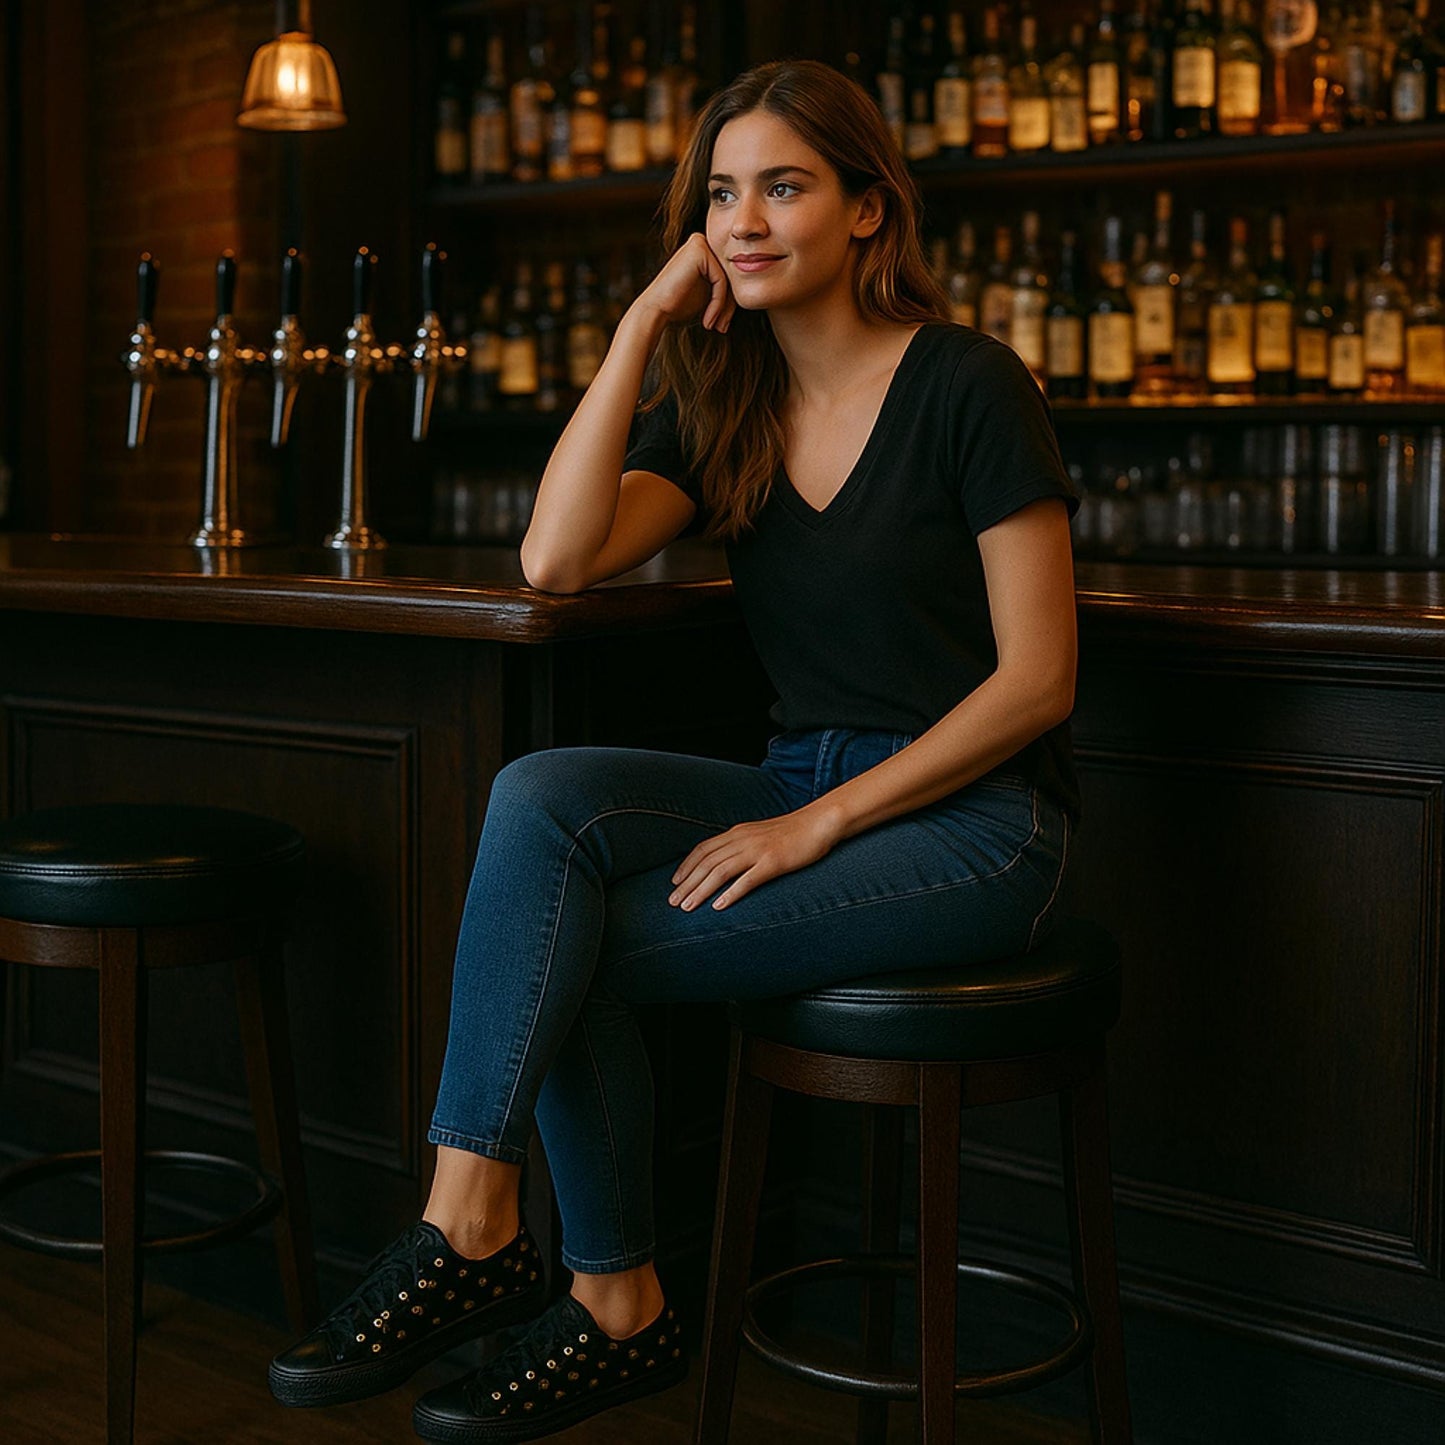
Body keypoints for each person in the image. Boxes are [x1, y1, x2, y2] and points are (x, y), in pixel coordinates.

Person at [269, 56, 1079, 1444]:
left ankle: (604, 1297)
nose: (744, 220)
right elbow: (555, 554)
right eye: (721, 195)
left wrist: (817, 823)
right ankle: (488, 1225)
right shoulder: (730, 404)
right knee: (543, 804)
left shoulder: (966, 384)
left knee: (560, 953)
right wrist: (645, 317)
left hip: (978, 823)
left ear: (869, 210)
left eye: (783, 185)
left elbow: (1038, 681)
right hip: (799, 772)